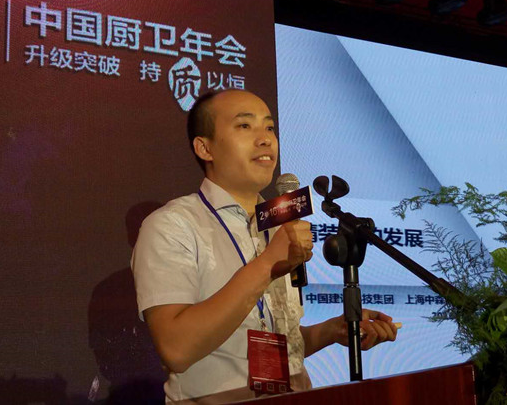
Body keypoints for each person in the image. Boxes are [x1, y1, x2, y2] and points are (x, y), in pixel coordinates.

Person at [131, 89, 398, 403]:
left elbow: (265, 343)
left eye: (269, 127)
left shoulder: (277, 228)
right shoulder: (172, 226)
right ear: (205, 147)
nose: (265, 139)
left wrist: (330, 331)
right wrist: (268, 264)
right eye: (245, 126)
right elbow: (177, 349)